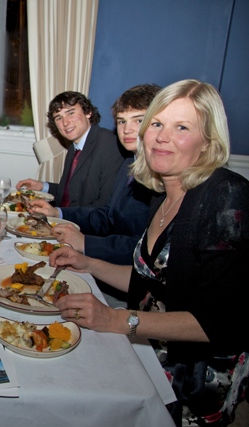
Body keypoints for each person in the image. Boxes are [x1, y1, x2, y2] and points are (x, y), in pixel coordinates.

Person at [49, 80, 249, 426]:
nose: (161, 137)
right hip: (147, 345)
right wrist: (88, 263)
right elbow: (151, 283)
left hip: (195, 376)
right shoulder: (163, 194)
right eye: (156, 123)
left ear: (208, 140)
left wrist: (115, 320)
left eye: (181, 127)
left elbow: (221, 322)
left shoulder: (226, 197)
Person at [28, 84, 160, 265]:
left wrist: (84, 242)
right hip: (87, 236)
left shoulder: (113, 146)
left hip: (108, 252)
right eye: (122, 121)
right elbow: (77, 195)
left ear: (88, 112)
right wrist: (47, 194)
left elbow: (107, 213)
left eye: (71, 113)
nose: (127, 130)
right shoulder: (125, 160)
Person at [16, 91, 126, 208]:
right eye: (59, 118)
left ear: (88, 112)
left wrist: (59, 213)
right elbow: (71, 194)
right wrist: (42, 186)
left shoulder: (110, 144)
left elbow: (105, 205)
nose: (65, 123)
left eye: (71, 113)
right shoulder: (74, 147)